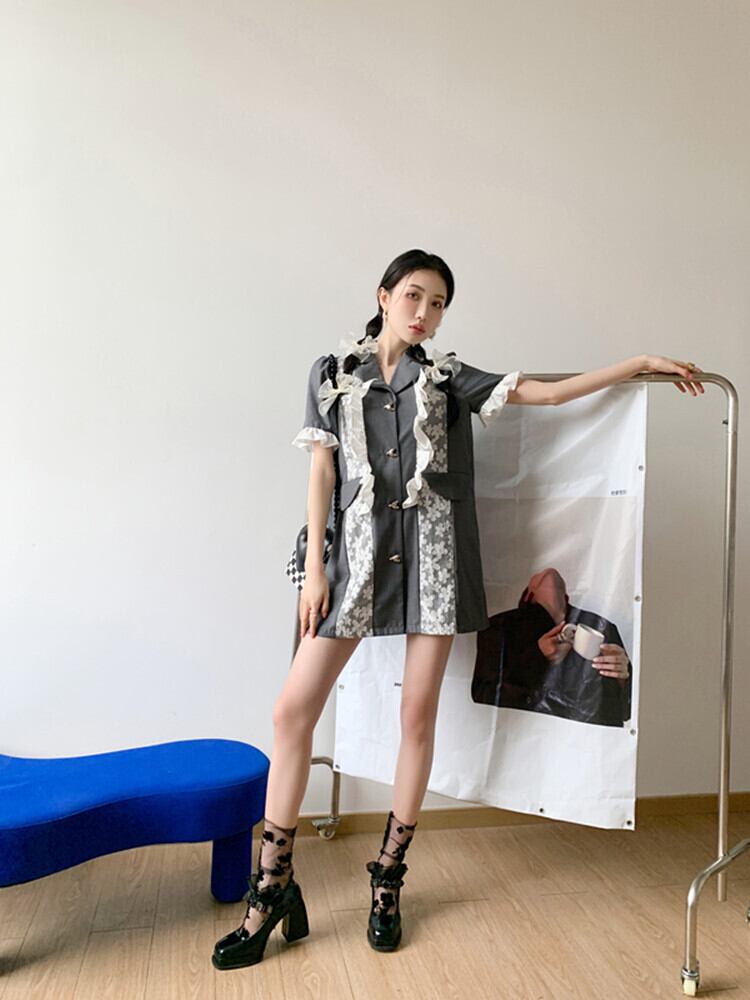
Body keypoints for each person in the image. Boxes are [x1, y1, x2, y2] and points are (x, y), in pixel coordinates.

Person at [212, 248, 704, 970]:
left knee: (417, 716)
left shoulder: (447, 378)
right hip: (352, 564)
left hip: (434, 564)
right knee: (292, 713)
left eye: (438, 302)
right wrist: (315, 568)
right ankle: (273, 887)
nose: (424, 312)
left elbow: (544, 395)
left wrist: (636, 363)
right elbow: (322, 469)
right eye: (414, 295)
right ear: (383, 295)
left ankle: (388, 880)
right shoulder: (331, 372)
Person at [473, 567, 633, 726]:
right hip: (526, 731)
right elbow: (484, 700)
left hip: (588, 736)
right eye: (538, 579)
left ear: (566, 598)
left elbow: (627, 711)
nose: (548, 573)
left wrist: (623, 679)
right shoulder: (500, 627)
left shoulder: (600, 627)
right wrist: (537, 657)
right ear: (527, 597)